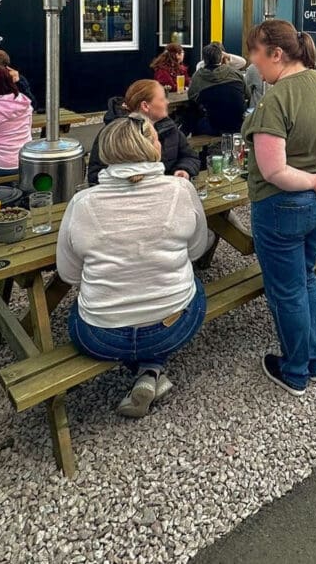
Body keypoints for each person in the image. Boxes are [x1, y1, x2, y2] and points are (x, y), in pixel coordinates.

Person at [57, 115, 210, 417]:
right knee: (194, 290)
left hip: (101, 338)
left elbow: (69, 274)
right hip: (173, 327)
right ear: (152, 146)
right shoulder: (180, 190)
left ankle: (148, 370)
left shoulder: (83, 203)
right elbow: (197, 250)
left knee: (80, 310)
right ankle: (152, 368)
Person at [242, 20, 316, 395]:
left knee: (287, 291)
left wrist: (314, 178)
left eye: (256, 54)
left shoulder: (275, 100)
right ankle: (314, 360)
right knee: (305, 279)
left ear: (276, 54)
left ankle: (295, 371)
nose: (253, 63)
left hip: (281, 209)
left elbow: (273, 170)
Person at [87, 79, 200, 185]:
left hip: (165, 193)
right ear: (145, 106)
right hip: (126, 200)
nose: (167, 102)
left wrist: (183, 170)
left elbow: (190, 156)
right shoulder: (113, 134)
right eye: (162, 99)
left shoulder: (169, 127)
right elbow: (95, 175)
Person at [188, 42, 247, 135]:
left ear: (204, 59)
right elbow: (247, 94)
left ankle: (193, 145)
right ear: (221, 57)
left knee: (192, 114)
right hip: (238, 124)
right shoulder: (235, 74)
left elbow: (191, 97)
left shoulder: (198, 77)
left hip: (214, 126)